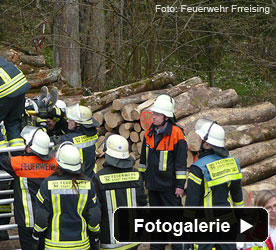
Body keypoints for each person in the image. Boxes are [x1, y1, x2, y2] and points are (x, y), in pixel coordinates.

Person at [0, 127, 57, 250]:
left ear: (30, 147)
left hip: (27, 222)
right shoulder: (55, 164)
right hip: (50, 220)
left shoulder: (19, 163)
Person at [185, 119, 243, 250]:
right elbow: (237, 194)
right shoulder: (233, 162)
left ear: (207, 144)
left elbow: (191, 202)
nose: (198, 141)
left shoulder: (198, 168)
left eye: (200, 139)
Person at [138, 94, 187, 250]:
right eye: (154, 113)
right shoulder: (149, 132)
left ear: (166, 117)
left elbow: (180, 162)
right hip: (153, 185)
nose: (154, 117)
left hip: (169, 187)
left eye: (157, 114)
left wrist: (180, 185)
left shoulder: (177, 133)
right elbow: (143, 160)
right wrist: (142, 179)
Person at [33, 142, 100, 250]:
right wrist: (95, 234)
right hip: (81, 244)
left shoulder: (48, 184)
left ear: (59, 161)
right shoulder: (88, 184)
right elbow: (94, 215)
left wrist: (37, 235)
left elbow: (41, 216)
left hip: (54, 245)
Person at [94, 134, 147, 250]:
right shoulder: (136, 175)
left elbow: (95, 211)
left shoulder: (99, 178)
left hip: (110, 242)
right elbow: (143, 203)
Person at [53, 104, 100, 179]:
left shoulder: (68, 140)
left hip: (77, 178)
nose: (67, 120)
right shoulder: (93, 135)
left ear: (78, 124)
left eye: (71, 119)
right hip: (90, 175)